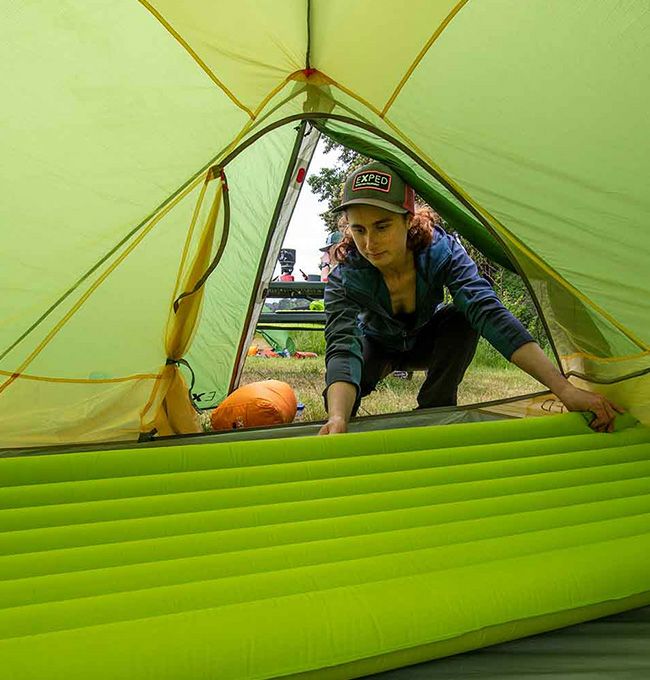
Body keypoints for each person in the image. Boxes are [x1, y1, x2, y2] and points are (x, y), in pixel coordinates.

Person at [319, 161, 623, 435]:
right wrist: (337, 417)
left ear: (408, 219)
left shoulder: (442, 251)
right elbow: (342, 346)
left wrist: (564, 390)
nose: (370, 243)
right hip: (375, 345)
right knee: (342, 402)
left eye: (382, 226)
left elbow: (488, 312)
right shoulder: (345, 276)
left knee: (461, 317)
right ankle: (344, 414)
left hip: (426, 340)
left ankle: (435, 409)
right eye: (359, 229)